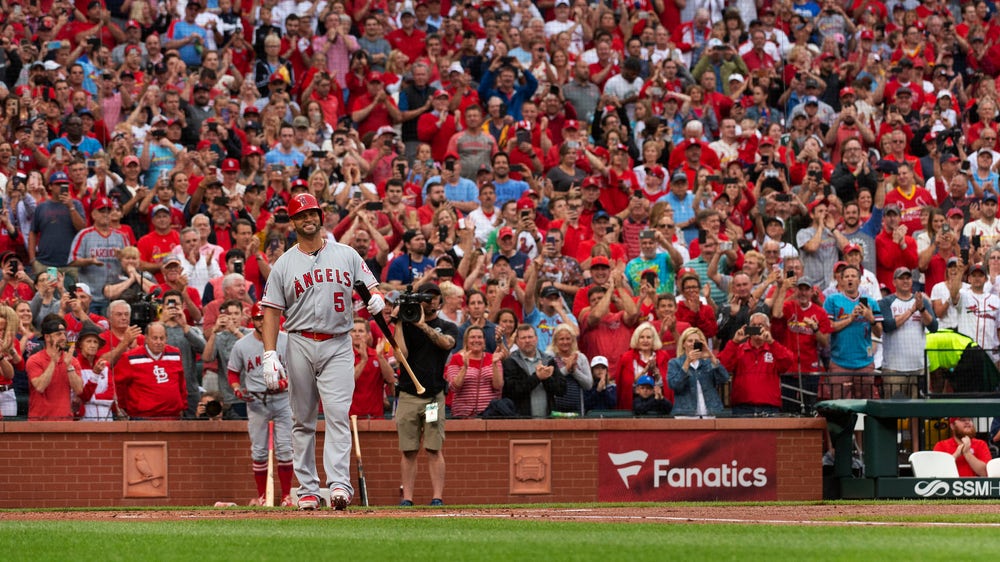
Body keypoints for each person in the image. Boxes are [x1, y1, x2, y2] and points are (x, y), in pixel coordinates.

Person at [260, 193, 382, 511]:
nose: (307, 219)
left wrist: (378, 298)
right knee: (302, 419)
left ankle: (339, 485)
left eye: (312, 213)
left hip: (339, 342)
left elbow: (372, 287)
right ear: (293, 222)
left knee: (338, 415)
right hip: (299, 340)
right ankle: (308, 489)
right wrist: (270, 353)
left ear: (321, 215)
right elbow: (271, 310)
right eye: (301, 215)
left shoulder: (346, 254)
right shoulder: (284, 264)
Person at [392, 282, 457, 507]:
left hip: (432, 398)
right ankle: (407, 498)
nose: (430, 301)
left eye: (434, 297)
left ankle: (437, 497)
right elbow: (401, 356)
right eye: (426, 297)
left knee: (433, 447)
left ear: (441, 301)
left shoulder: (446, 326)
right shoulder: (407, 326)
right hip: (409, 395)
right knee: (408, 449)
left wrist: (422, 325)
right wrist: (399, 322)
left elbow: (446, 344)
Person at [227, 302, 294, 507]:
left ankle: (286, 496)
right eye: (257, 318)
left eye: (263, 318)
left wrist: (288, 381)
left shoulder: (286, 340)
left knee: (285, 449)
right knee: (259, 451)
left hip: (283, 399)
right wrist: (237, 389)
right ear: (252, 320)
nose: (261, 322)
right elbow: (233, 373)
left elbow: (299, 368)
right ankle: (263, 496)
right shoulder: (242, 345)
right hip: (256, 401)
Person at [719, 312, 795, 416]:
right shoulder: (738, 349)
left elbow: (788, 361)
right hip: (742, 408)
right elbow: (722, 366)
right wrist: (734, 342)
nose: (757, 328)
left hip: (770, 407)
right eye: (754, 326)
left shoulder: (775, 349)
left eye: (761, 325)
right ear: (748, 328)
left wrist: (771, 342)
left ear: (768, 327)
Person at [116, 322, 187, 420]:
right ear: (146, 338)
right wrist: (126, 407)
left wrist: (182, 405)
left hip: (172, 416)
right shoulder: (130, 358)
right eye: (155, 338)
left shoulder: (175, 353)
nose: (158, 342)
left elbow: (181, 383)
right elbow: (119, 385)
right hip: (142, 417)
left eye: (162, 338)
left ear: (166, 338)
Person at [502, 323, 567, 418]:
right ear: (517, 341)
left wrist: (547, 378)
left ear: (536, 339)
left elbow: (561, 390)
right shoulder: (511, 361)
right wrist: (537, 377)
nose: (527, 341)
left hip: (548, 420)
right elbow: (512, 391)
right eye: (523, 338)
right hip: (521, 421)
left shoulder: (548, 360)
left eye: (530, 337)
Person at [26, 316, 81, 420]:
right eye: (58, 334)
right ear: (47, 337)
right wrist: (53, 362)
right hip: (39, 422)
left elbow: (78, 389)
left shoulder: (72, 360)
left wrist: (69, 365)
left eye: (64, 334)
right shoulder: (34, 360)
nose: (63, 337)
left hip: (65, 421)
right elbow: (40, 386)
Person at [668, 327, 730, 417]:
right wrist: (686, 363)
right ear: (683, 344)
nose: (693, 344)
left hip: (711, 413)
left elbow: (724, 378)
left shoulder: (708, 362)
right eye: (690, 341)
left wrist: (711, 356)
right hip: (685, 414)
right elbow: (674, 385)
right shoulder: (675, 363)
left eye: (696, 341)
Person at [445, 325, 504, 419]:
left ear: (484, 341)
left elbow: (498, 386)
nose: (476, 340)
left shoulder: (493, 357)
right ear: (466, 341)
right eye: (472, 337)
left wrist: (495, 364)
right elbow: (454, 387)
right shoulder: (456, 358)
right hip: (463, 415)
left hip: (490, 414)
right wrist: (464, 367)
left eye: (480, 337)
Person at [349, 317, 395, 419]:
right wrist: (363, 360)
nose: (357, 334)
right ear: (349, 335)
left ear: (368, 335)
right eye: (353, 331)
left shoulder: (376, 355)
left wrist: (380, 357)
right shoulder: (344, 357)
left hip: (376, 417)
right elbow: (347, 383)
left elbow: (391, 379)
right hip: (352, 418)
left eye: (361, 331)